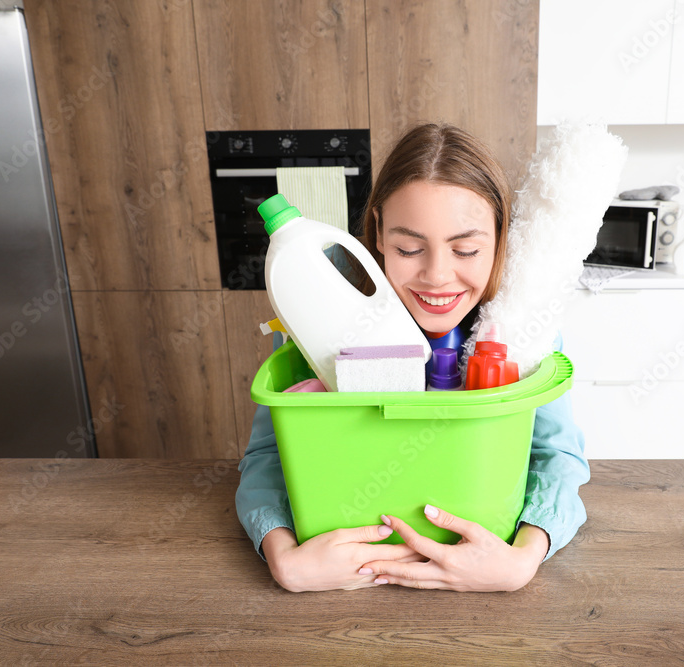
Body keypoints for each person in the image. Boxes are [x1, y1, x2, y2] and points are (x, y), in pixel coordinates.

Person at [236, 123, 589, 592]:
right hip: (347, 591)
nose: (437, 276)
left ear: (501, 238)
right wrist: (284, 558)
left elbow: (557, 456)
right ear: (378, 232)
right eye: (409, 248)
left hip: (475, 589)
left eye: (466, 248)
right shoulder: (319, 324)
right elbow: (266, 457)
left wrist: (522, 559)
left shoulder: (524, 336)